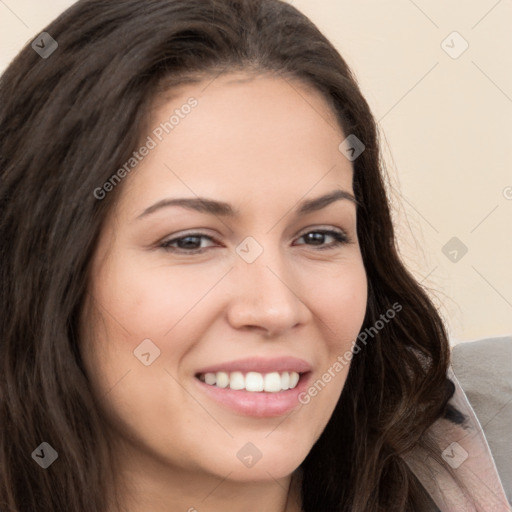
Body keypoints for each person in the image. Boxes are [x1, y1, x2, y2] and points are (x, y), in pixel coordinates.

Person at [0, 1, 508, 511]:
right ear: (46, 269)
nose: (276, 308)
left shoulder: (494, 448)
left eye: (318, 236)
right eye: (191, 241)